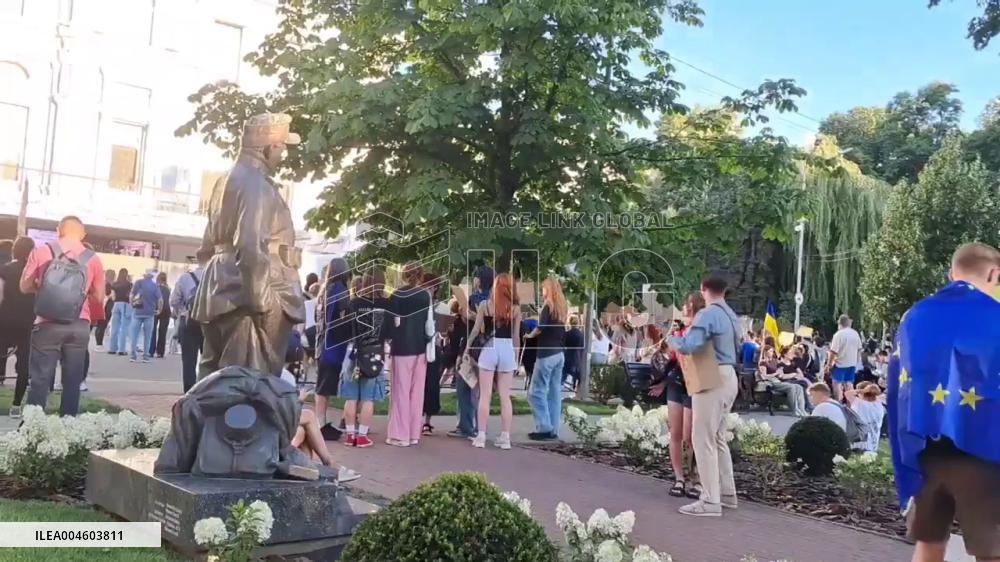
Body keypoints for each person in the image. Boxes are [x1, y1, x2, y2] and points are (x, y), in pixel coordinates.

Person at [889, 242, 1000, 562]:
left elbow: (900, 381)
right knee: (990, 550)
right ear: (994, 273)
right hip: (984, 450)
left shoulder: (916, 315)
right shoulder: (995, 317)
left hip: (927, 450)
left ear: (952, 273)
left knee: (930, 542)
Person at [667, 273, 740, 517]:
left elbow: (690, 345)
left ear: (703, 289)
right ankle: (727, 494)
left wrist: (672, 340)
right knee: (718, 438)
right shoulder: (731, 315)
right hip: (730, 376)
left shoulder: (707, 314)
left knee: (702, 439)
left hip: (711, 376)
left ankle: (710, 501)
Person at [20, 216, 105, 416]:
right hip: (79, 324)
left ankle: (33, 426)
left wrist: (44, 289)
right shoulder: (93, 259)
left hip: (47, 322)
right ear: (83, 234)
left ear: (59, 230)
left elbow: (24, 286)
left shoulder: (42, 251)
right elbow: (99, 297)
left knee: (40, 378)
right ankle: (67, 425)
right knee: (72, 379)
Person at [651, 292, 701, 499]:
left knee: (691, 435)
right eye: (685, 304)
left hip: (694, 382)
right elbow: (671, 358)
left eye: (689, 304)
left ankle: (695, 478)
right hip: (676, 382)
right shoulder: (679, 330)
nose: (686, 308)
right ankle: (679, 478)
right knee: (675, 432)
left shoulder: (700, 329)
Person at [466, 272, 520, 450]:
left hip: (489, 348)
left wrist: (467, 348)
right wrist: (516, 357)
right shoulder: (516, 309)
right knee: (505, 396)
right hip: (507, 349)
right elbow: (516, 337)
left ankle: (481, 435)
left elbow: (475, 330)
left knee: (485, 395)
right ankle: (505, 437)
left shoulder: (485, 305)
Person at [341, 271, 390, 448]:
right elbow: (390, 330)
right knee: (368, 398)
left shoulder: (354, 303)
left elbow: (345, 328)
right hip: (375, 353)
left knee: (351, 397)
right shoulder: (386, 304)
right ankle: (362, 436)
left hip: (353, 352)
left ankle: (350, 435)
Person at [387, 262, 432, 447]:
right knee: (416, 393)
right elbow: (429, 324)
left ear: (404, 275)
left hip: (402, 349)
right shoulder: (425, 295)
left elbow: (393, 323)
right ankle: (414, 434)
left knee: (400, 392)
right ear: (420, 275)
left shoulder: (397, 295)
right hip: (420, 348)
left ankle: (400, 435)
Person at [527, 276, 568, 441]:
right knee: (554, 392)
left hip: (546, 354)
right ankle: (553, 429)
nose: (541, 291)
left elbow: (540, 328)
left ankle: (543, 427)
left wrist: (529, 335)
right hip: (559, 353)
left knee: (535, 392)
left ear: (548, 289)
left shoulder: (547, 306)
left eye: (543, 288)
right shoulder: (562, 308)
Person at [315, 258, 352, 436]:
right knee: (324, 387)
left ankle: (321, 420)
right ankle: (319, 424)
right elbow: (345, 320)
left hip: (322, 344)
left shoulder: (323, 291)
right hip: (334, 347)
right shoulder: (341, 291)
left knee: (323, 387)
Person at [0, 237, 36, 417]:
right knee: (23, 366)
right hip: (26, 323)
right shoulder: (34, 273)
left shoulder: (4, 269)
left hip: (4, 321)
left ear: (14, 250)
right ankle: (16, 405)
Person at [447, 287, 477, 439]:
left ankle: (466, 427)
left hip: (469, 355)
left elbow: (469, 337)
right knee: (475, 393)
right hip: (480, 354)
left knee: (464, 391)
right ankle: (477, 427)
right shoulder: (492, 303)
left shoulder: (475, 309)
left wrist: (461, 355)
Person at [170, 262, 204, 392]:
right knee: (209, 361)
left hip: (188, 321)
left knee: (189, 361)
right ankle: (207, 391)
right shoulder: (216, 276)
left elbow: (174, 300)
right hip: (210, 324)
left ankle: (189, 392)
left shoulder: (185, 278)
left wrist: (183, 310)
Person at [421, 272, 443, 435]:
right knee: (418, 385)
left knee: (432, 386)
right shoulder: (419, 303)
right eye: (427, 286)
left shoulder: (439, 306)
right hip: (419, 347)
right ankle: (416, 417)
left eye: (432, 286)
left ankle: (427, 421)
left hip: (434, 348)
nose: (429, 289)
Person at [758, 347, 808, 417]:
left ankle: (802, 409)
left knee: (799, 387)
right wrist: (775, 374)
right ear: (765, 352)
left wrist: (780, 372)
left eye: (772, 351)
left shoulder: (775, 361)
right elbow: (764, 376)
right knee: (792, 387)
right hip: (772, 382)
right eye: (770, 351)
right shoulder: (763, 362)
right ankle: (795, 410)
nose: (772, 353)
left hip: (778, 381)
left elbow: (781, 371)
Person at [825, 314, 862, 402]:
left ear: (839, 324)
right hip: (852, 363)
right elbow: (859, 349)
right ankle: (851, 403)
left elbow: (833, 351)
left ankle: (839, 402)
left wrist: (828, 365)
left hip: (840, 363)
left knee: (836, 383)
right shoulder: (855, 333)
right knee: (849, 383)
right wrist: (856, 361)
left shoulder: (839, 335)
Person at [129, 270, 162, 364]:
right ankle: (145, 356)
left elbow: (131, 295)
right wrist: (159, 310)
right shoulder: (155, 286)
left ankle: (133, 355)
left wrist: (132, 305)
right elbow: (160, 300)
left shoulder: (138, 283)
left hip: (137, 312)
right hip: (149, 313)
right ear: (152, 277)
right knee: (148, 336)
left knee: (134, 335)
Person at [846, 382, 884, 453]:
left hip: (859, 440)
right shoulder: (879, 404)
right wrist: (871, 389)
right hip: (873, 440)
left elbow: (847, 394)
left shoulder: (858, 403)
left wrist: (862, 390)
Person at [107, 268, 132, 355]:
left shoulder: (114, 284)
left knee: (114, 327)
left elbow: (113, 297)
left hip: (116, 305)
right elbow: (130, 296)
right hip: (125, 305)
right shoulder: (129, 284)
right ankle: (121, 349)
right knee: (123, 328)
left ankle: (112, 348)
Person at [148, 272, 172, 359]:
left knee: (153, 330)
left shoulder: (155, 287)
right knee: (163, 331)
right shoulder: (168, 288)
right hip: (166, 311)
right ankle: (160, 352)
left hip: (155, 310)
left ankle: (151, 351)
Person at [93, 268, 114, 350]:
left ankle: (98, 343)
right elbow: (108, 295)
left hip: (100, 305)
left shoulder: (101, 283)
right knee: (102, 325)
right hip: (106, 306)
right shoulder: (109, 285)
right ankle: (99, 344)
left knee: (99, 325)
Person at [562, 315, 585, 389]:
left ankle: (560, 387)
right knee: (576, 373)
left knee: (564, 373)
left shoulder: (567, 334)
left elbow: (563, 344)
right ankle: (575, 386)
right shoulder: (581, 335)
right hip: (577, 355)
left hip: (568, 354)